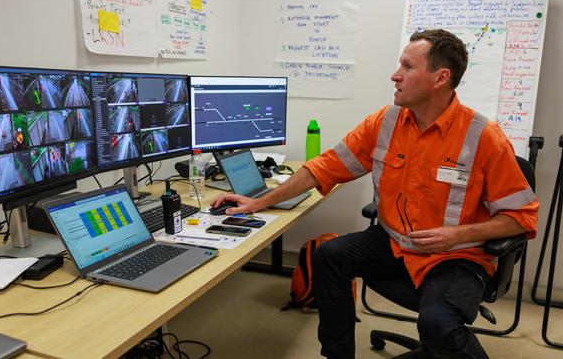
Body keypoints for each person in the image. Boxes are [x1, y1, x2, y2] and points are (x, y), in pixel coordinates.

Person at [211, 29, 539, 359]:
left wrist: (457, 235)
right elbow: (325, 167)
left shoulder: (483, 138)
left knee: (438, 326)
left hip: (456, 257)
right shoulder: (385, 122)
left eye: (407, 67)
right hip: (395, 243)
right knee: (328, 255)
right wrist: (259, 201)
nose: (395, 75)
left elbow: (522, 217)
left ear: (440, 78)